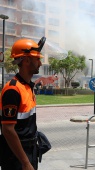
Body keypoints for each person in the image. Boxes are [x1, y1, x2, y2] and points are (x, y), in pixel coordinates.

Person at [0, 36, 46, 170]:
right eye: (37, 59)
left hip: (29, 151)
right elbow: (7, 130)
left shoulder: (28, 87)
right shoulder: (13, 89)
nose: (40, 64)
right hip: (16, 158)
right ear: (26, 60)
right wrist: (25, 163)